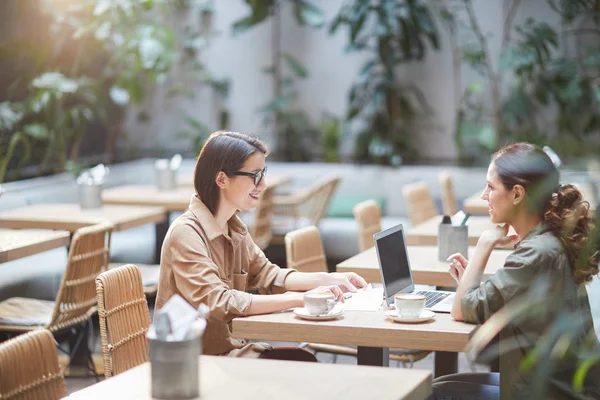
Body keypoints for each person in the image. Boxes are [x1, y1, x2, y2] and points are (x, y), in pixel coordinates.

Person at [155, 131, 367, 361]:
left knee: (304, 362)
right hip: (190, 364)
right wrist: (300, 299)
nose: (263, 185)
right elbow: (220, 302)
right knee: (303, 365)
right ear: (222, 179)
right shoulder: (185, 234)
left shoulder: (234, 228)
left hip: (231, 351)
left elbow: (268, 275)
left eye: (263, 174)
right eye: (255, 176)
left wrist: (327, 280)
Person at [430, 143, 600, 399]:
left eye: (491, 187)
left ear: (517, 194)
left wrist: (485, 244)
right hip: (559, 385)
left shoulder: (537, 252)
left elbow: (461, 308)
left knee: (435, 393)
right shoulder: (549, 239)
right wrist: (470, 281)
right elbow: (496, 296)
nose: (484, 196)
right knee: (442, 385)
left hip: (550, 393)